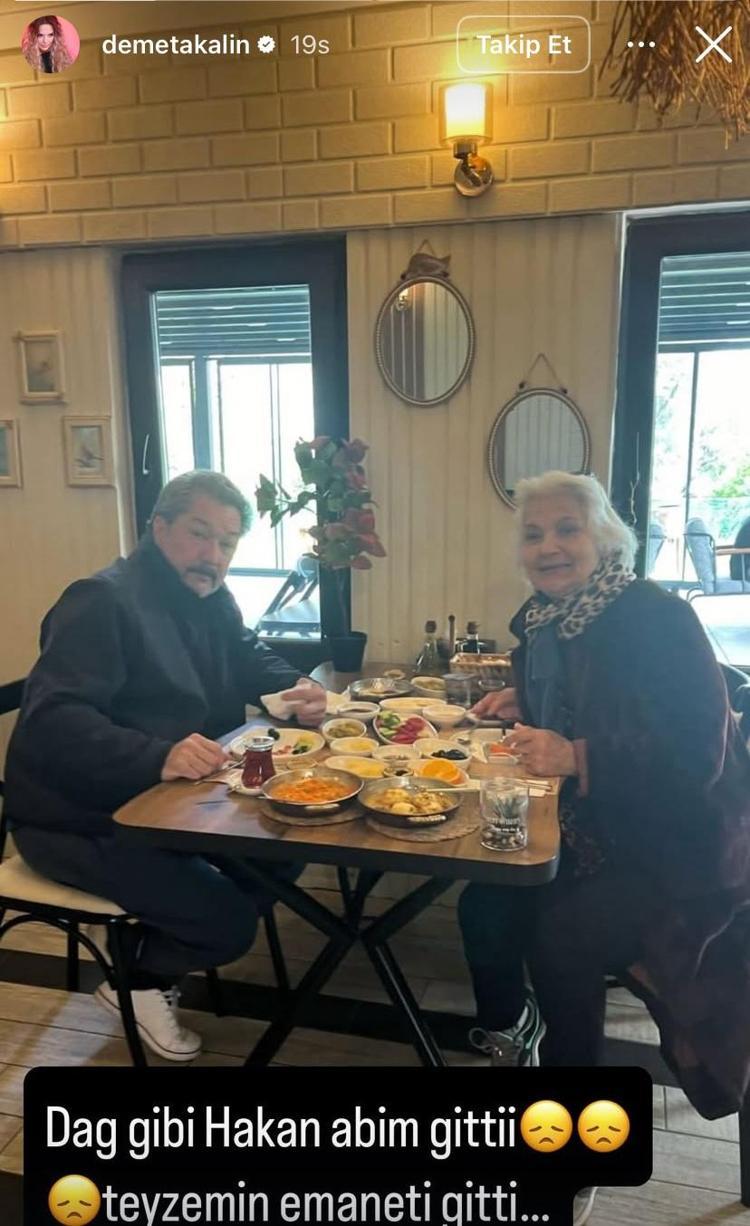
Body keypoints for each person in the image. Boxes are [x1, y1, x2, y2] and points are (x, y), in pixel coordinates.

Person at [459, 472, 750, 1223]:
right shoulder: (547, 621)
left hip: (679, 848)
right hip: (593, 828)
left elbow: (696, 756)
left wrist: (577, 755)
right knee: (488, 903)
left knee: (561, 938)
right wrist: (527, 701)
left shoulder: (656, 617)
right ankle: (516, 1037)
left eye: (568, 529)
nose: (549, 546)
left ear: (606, 542)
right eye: (534, 534)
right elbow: (591, 699)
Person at [5, 470, 327, 1062]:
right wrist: (158, 755)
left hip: (170, 807)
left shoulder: (208, 596)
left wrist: (298, 685)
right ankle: (138, 981)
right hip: (76, 817)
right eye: (199, 534)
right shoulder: (101, 600)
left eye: (227, 542)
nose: (214, 555)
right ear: (159, 527)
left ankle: (148, 956)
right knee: (227, 920)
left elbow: (247, 652)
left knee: (283, 852)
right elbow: (53, 720)